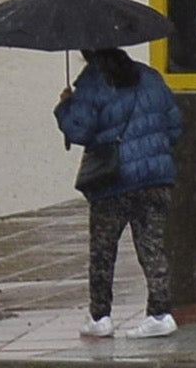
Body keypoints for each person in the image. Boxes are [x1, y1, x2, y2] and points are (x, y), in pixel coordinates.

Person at [53, 45, 185, 339]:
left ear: (89, 54)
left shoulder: (92, 81)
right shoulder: (150, 77)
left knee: (103, 251)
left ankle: (100, 317)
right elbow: (174, 127)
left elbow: (79, 131)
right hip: (156, 179)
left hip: (113, 180)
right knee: (152, 248)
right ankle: (160, 314)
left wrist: (65, 106)